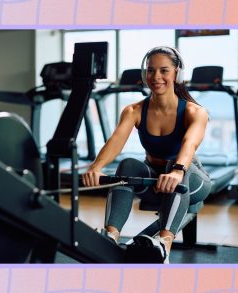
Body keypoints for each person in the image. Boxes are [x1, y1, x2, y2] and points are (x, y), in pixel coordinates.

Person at [82, 46, 211, 264]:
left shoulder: (195, 112)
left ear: (177, 73)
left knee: (174, 167)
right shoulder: (134, 111)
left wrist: (178, 171)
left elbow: (190, 144)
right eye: (151, 71)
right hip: (154, 182)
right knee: (128, 165)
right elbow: (115, 142)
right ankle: (110, 236)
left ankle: (163, 246)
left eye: (164, 70)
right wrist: (96, 167)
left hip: (190, 181)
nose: (156, 77)